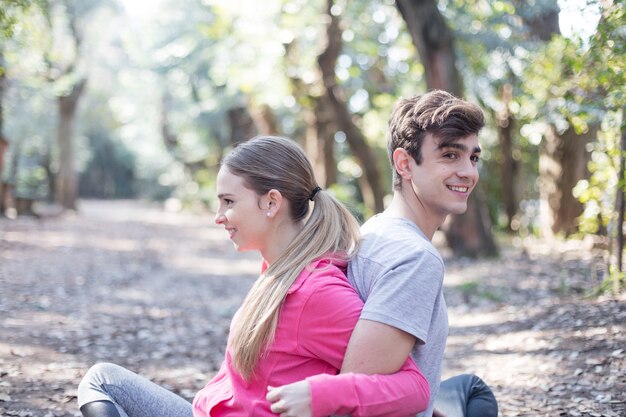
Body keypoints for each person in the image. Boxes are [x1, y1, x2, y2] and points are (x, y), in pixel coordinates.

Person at [77, 136, 430, 417]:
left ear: (271, 203)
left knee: (103, 380)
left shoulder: (315, 292)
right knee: (103, 380)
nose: (219, 216)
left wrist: (319, 394)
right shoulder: (279, 272)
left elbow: (415, 388)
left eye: (228, 201)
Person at [267, 90, 498, 417]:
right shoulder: (415, 259)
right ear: (404, 163)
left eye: (473, 158)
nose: (468, 172)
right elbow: (358, 391)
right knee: (475, 396)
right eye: (449, 156)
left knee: (470, 388)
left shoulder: (373, 230)